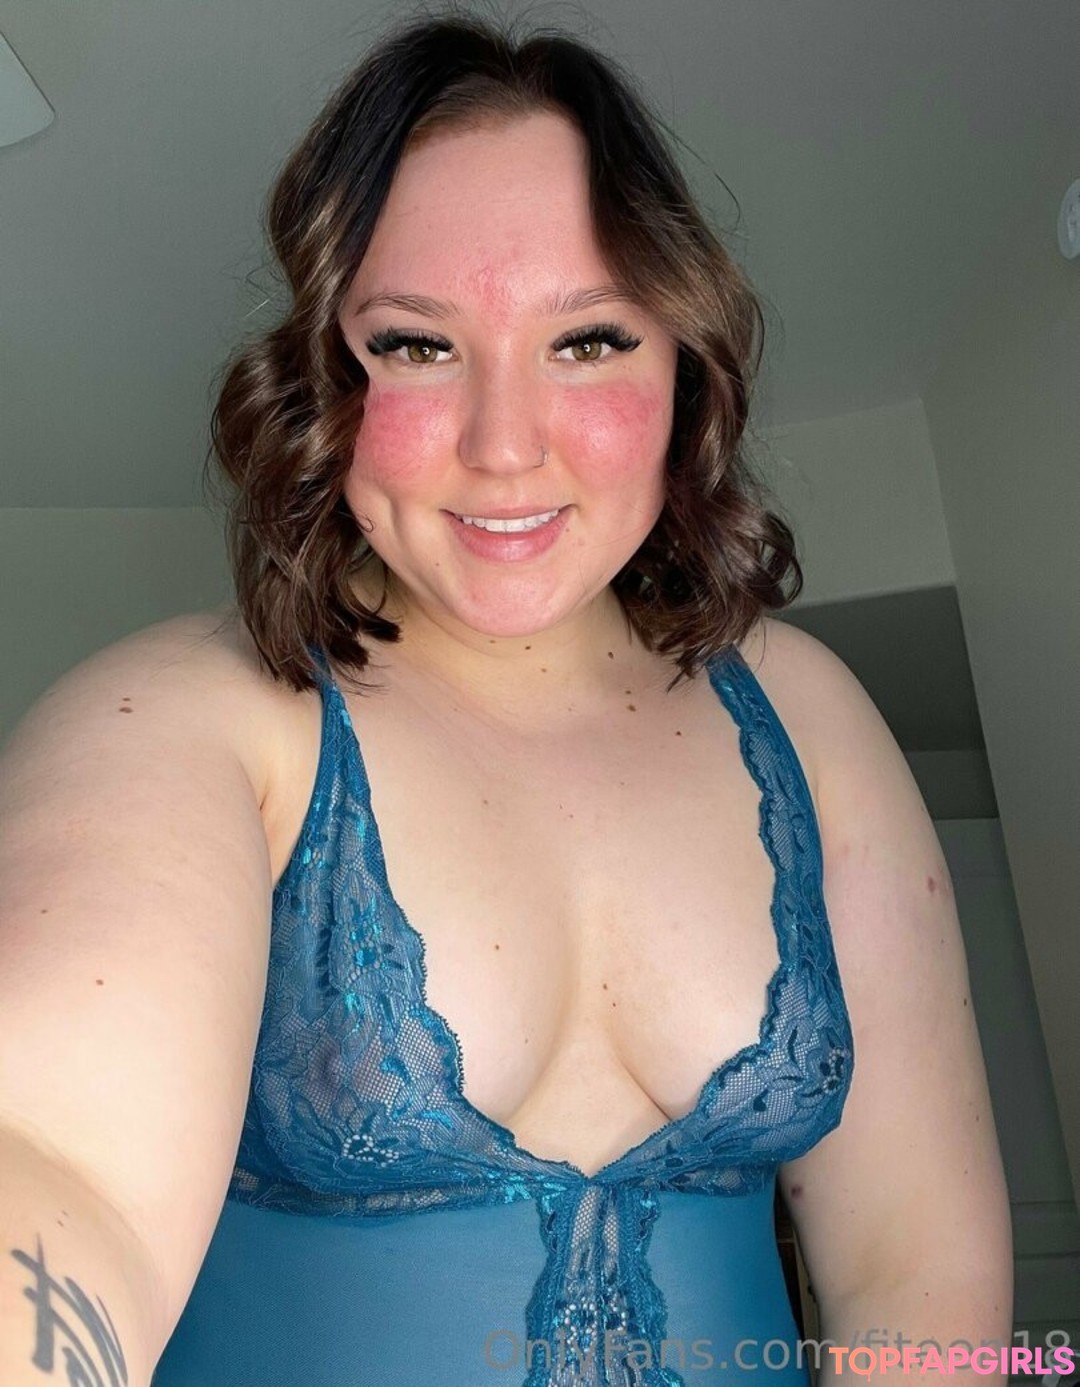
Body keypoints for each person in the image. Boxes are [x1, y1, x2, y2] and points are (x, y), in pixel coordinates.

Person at [0, 14, 1012, 1387]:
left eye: (587, 340)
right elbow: (55, 1170)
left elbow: (921, 1270)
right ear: (325, 376)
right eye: (418, 346)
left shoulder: (812, 723)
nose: (504, 446)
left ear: (684, 366)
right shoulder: (182, 719)